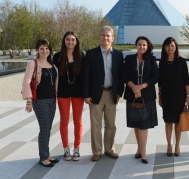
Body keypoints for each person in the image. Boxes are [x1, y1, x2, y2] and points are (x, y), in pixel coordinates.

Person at [82, 26, 124, 161]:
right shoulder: (91, 54)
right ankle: (97, 151)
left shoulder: (118, 55)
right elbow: (86, 75)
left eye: (108, 36)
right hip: (95, 94)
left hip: (112, 93)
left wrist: (119, 92)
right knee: (96, 125)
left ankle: (109, 149)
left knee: (111, 124)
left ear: (112, 38)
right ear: (99, 37)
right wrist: (86, 94)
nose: (105, 38)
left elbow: (120, 76)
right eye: (103, 35)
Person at [22, 39, 59, 167]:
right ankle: (43, 157)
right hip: (39, 100)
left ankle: (46, 153)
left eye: (47, 48)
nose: (45, 51)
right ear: (37, 49)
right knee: (44, 128)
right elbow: (26, 82)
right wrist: (28, 101)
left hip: (52, 100)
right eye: (42, 48)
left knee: (48, 128)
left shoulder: (52, 64)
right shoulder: (33, 63)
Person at [123, 36, 158, 164]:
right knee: (136, 123)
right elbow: (124, 74)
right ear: (136, 45)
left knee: (144, 125)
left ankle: (143, 152)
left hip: (147, 96)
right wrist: (134, 87)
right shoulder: (129, 59)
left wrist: (141, 87)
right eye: (139, 44)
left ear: (147, 46)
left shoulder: (152, 59)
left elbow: (155, 77)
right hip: (132, 96)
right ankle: (139, 148)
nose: (141, 47)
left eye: (144, 45)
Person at [53, 31, 85, 161]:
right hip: (62, 92)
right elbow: (52, 75)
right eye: (68, 39)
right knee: (64, 120)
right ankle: (66, 148)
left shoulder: (82, 55)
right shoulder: (57, 56)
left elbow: (85, 75)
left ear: (76, 41)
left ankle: (76, 148)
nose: (70, 42)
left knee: (78, 121)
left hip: (78, 93)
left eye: (73, 39)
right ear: (64, 41)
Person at [158, 37, 189, 157]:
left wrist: (188, 96)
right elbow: (160, 82)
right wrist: (159, 96)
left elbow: (186, 80)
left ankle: (177, 145)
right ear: (164, 48)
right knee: (168, 122)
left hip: (179, 96)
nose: (170, 48)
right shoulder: (162, 62)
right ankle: (169, 145)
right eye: (167, 46)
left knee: (178, 122)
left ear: (175, 47)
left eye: (172, 45)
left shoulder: (181, 62)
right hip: (166, 96)